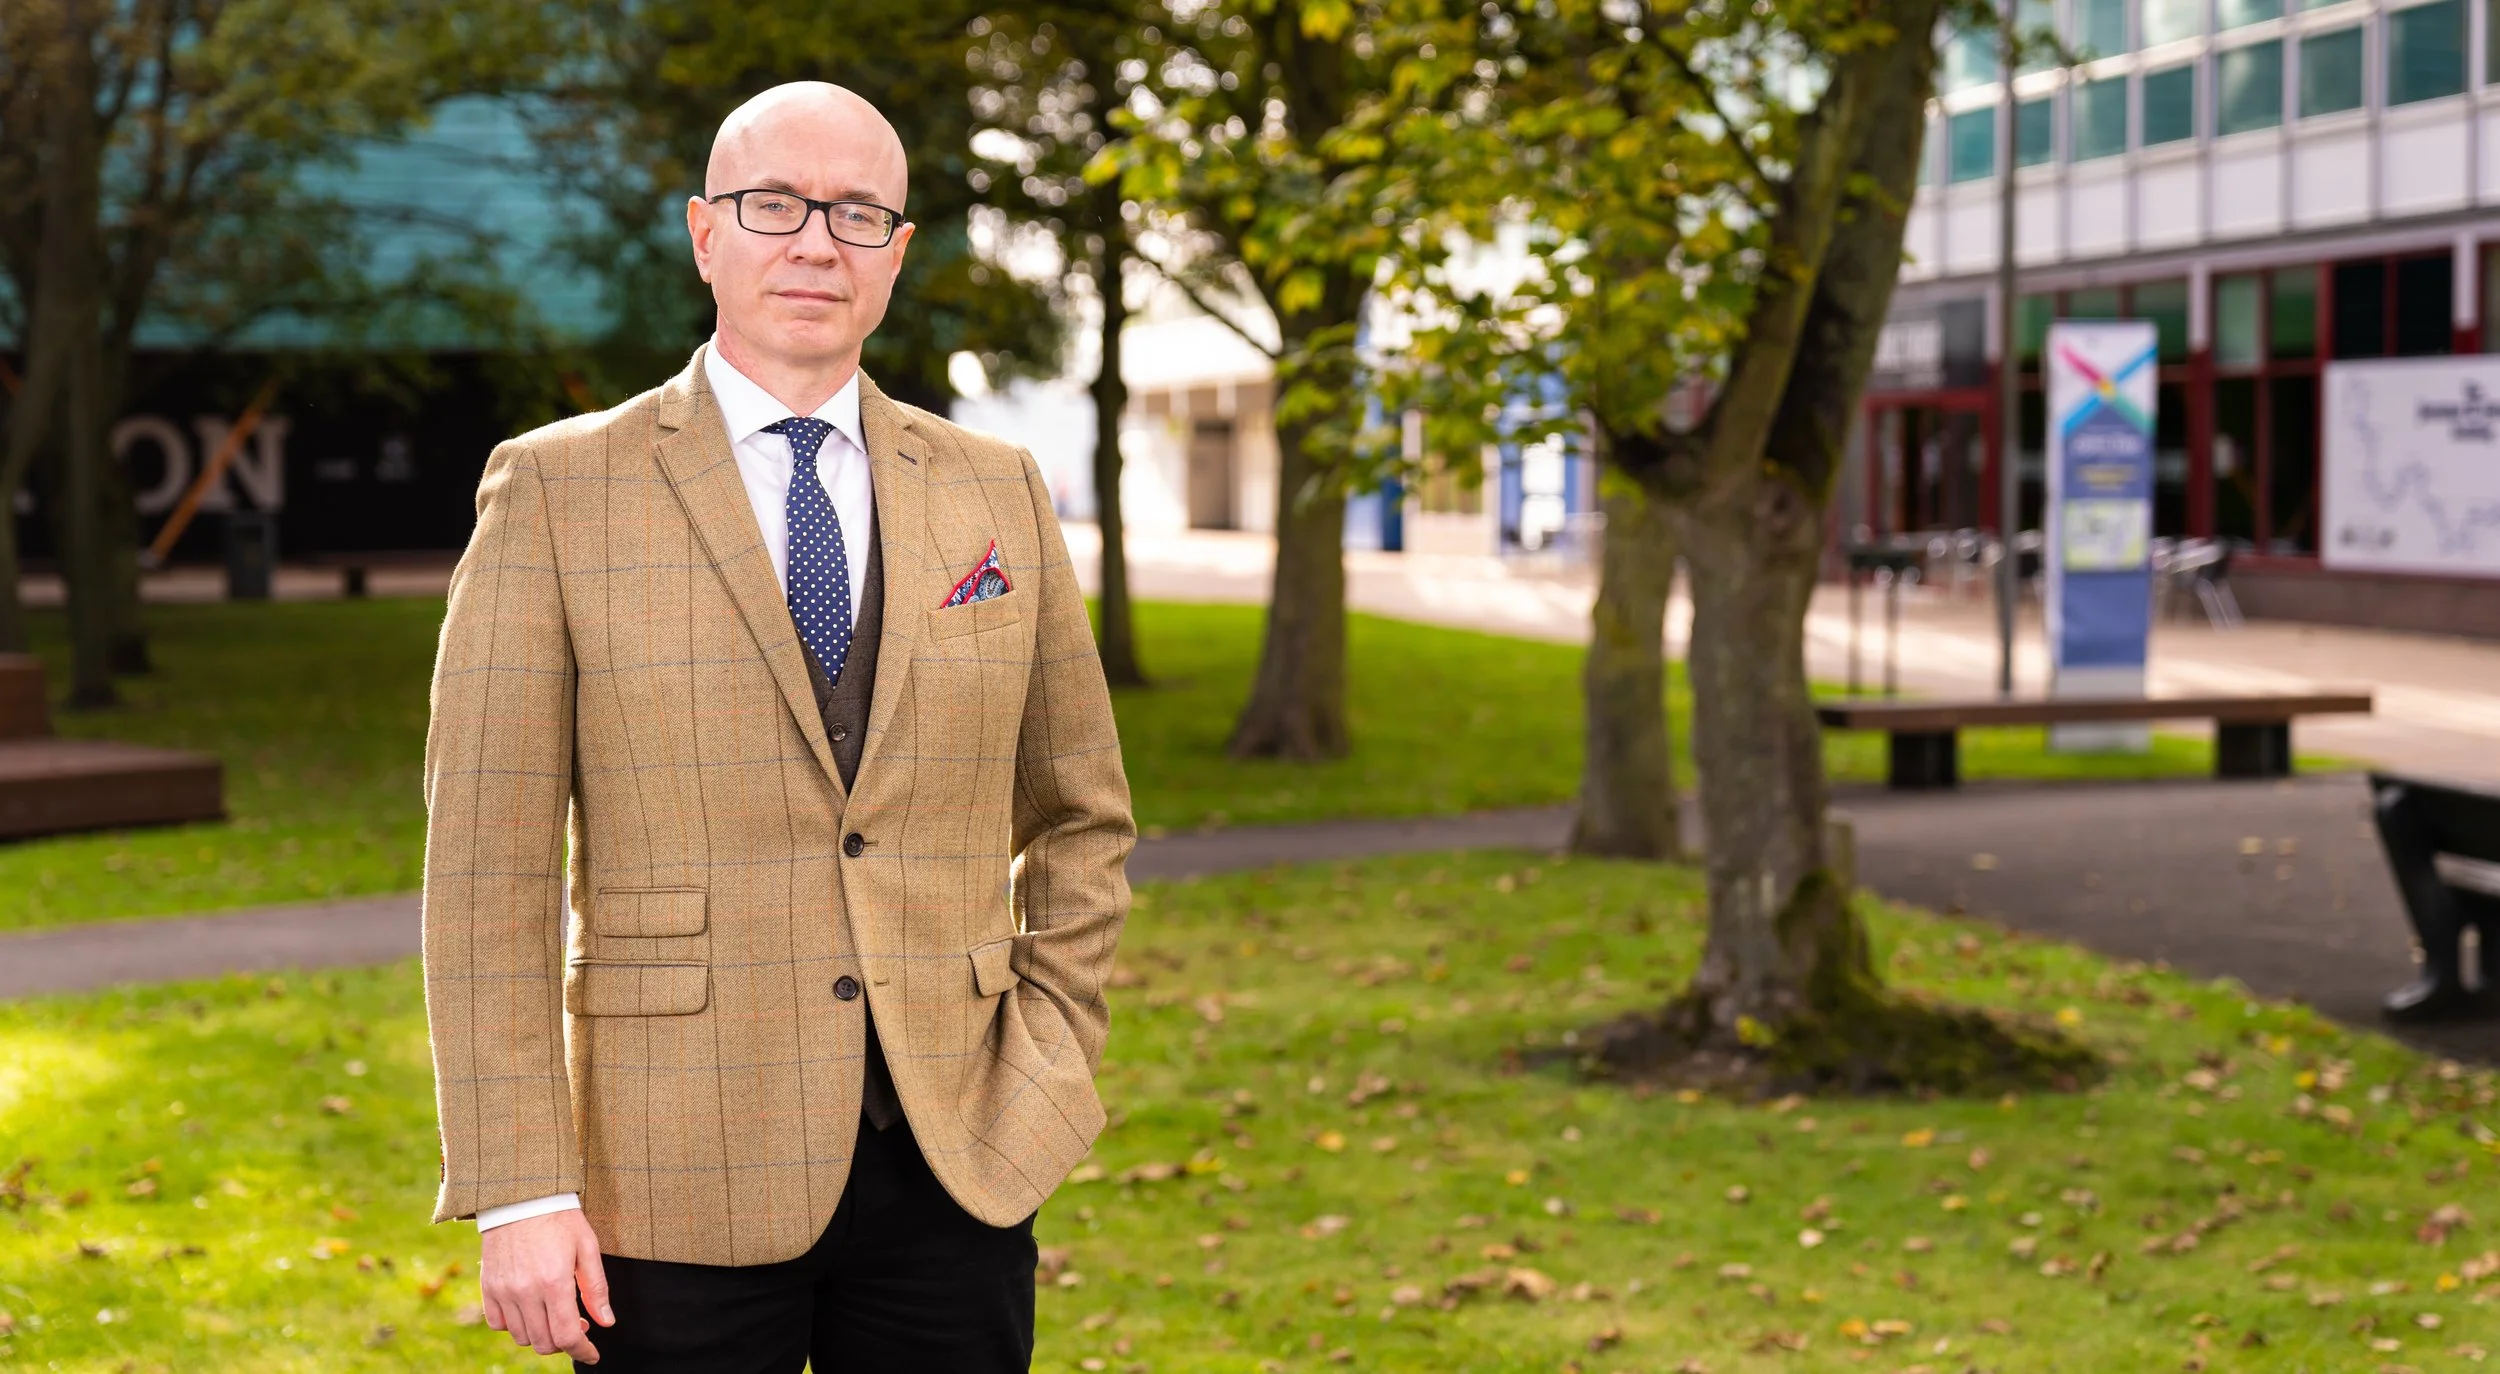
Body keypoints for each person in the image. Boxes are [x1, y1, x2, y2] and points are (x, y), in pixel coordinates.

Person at [420, 81, 1134, 1373]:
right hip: (668, 1172)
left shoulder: (998, 490)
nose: (817, 241)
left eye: (859, 212)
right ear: (707, 235)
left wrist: (1049, 1054)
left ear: (900, 252)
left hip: (957, 1155)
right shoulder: (557, 490)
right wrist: (522, 1183)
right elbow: (486, 873)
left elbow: (1083, 809)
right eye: (775, 206)